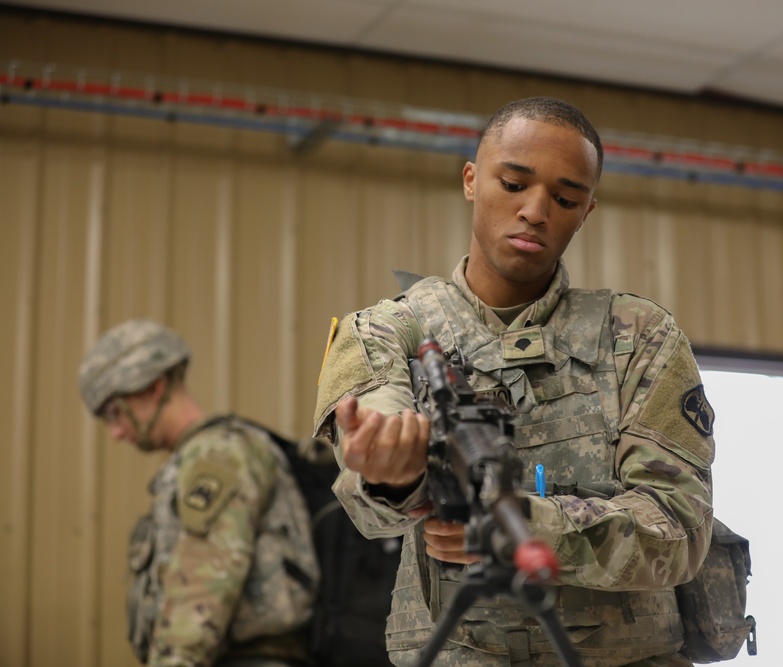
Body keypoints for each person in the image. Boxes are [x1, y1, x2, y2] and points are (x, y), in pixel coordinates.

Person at [313, 96, 716, 667]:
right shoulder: (386, 329)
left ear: (586, 212)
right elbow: (371, 488)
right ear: (472, 180)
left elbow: (680, 527)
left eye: (565, 197)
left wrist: (532, 528)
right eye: (514, 184)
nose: (536, 210)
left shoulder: (640, 335)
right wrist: (390, 471)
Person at [78, 319, 320, 667]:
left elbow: (200, 592)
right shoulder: (199, 457)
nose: (115, 432)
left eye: (116, 412)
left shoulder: (217, 455)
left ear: (154, 388)